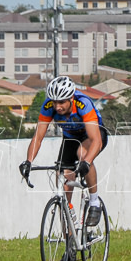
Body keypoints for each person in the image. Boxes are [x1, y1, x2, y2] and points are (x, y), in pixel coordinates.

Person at [20, 75, 108, 229]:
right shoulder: (48, 107)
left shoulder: (82, 104)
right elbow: (38, 137)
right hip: (70, 138)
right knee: (63, 184)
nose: (57, 107)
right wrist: (28, 161)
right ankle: (70, 244)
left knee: (82, 154)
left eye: (61, 102)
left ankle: (94, 202)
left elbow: (96, 141)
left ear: (71, 99)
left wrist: (86, 162)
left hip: (92, 135)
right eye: (54, 102)